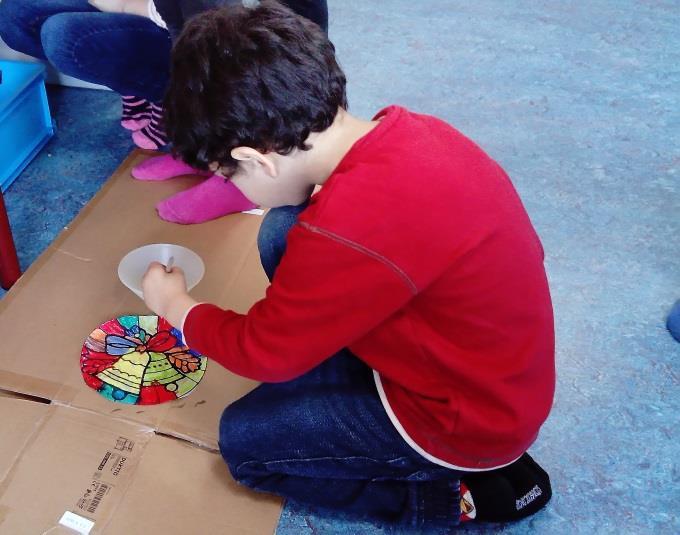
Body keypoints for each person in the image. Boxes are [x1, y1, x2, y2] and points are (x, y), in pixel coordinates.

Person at [141, 1, 555, 529]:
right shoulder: (407, 131)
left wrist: (176, 306)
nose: (234, 188)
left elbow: (265, 353)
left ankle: (463, 498)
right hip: (488, 376)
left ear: (257, 159)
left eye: (231, 175)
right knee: (283, 230)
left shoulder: (349, 228)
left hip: (461, 422)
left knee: (244, 443)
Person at [0, 0, 327, 224]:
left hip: (234, 38)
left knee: (217, 42)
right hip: (165, 14)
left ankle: (230, 162)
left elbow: (226, 41)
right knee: (16, 14)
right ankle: (192, 130)